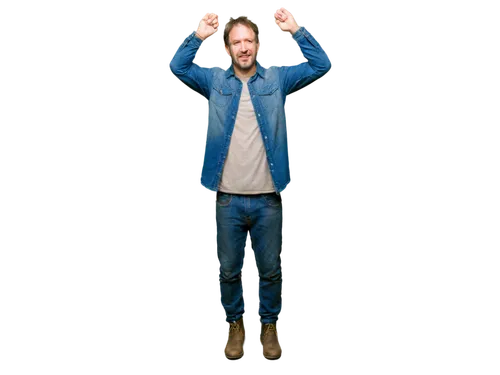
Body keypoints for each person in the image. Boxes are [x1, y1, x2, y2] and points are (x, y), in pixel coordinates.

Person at [166, 6, 334, 361]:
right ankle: (235, 326)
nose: (243, 48)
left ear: (259, 46)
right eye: (236, 42)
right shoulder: (214, 79)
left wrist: (295, 31)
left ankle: (270, 327)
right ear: (226, 48)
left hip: (269, 199)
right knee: (228, 270)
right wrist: (197, 36)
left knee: (271, 270)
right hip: (227, 199)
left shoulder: (277, 78)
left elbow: (323, 65)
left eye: (250, 41)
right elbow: (178, 67)